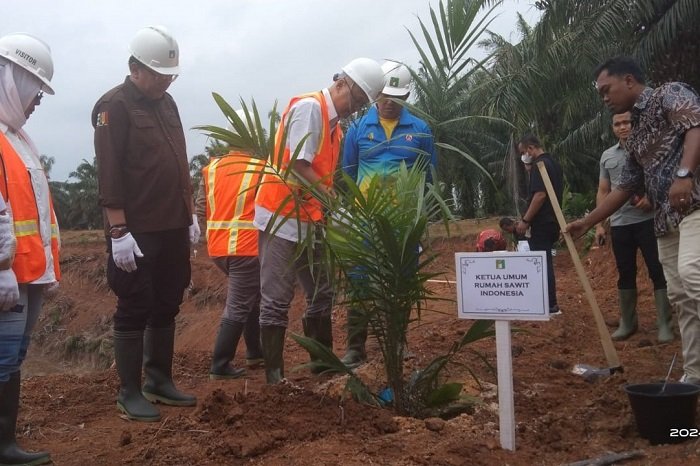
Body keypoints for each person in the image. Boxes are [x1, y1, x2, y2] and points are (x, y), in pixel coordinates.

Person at [568, 56, 700, 384]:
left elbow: (695, 126)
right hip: (665, 221)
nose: (604, 98)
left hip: (695, 207)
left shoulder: (668, 94)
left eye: (606, 90)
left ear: (628, 80)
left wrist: (684, 174)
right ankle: (695, 374)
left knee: (693, 276)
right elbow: (625, 187)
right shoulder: (636, 133)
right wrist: (588, 222)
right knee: (680, 297)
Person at [254, 57, 385, 384]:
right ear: (341, 83)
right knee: (276, 298)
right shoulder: (311, 109)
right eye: (353, 100)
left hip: (310, 217)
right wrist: (335, 204)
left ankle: (322, 364)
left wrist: (330, 210)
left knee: (321, 291)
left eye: (359, 105)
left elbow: (322, 175)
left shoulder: (334, 127)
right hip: (281, 216)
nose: (353, 108)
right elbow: (299, 165)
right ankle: (274, 376)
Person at [93, 26, 198, 422]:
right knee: (135, 303)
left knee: (168, 299)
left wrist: (189, 215)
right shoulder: (113, 106)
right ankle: (130, 391)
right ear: (135, 68)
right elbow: (110, 172)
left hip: (172, 223)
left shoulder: (168, 104)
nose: (165, 80)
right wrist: (118, 229)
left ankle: (159, 380)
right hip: (136, 229)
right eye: (159, 74)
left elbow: (179, 157)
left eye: (171, 74)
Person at [339, 60, 437, 367]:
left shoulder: (420, 131)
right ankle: (356, 347)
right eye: (383, 96)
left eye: (395, 99)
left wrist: (420, 220)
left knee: (400, 279)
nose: (387, 104)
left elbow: (428, 178)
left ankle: (396, 344)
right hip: (365, 220)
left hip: (403, 224)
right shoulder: (357, 128)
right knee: (359, 281)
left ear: (406, 97)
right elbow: (348, 174)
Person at [0, 32, 58, 466]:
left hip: (27, 272)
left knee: (13, 357)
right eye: (35, 88)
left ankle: (6, 442)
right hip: (8, 273)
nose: (38, 100)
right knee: (2, 358)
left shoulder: (17, 138)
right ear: (13, 78)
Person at [195, 111, 264, 379]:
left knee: (250, 298)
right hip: (247, 249)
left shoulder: (212, 168)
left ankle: (255, 353)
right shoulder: (260, 169)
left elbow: (203, 207)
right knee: (238, 304)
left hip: (218, 249)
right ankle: (220, 365)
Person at [595, 111, 673, 342]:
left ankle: (664, 325)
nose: (622, 127)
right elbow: (603, 190)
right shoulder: (607, 156)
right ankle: (628, 323)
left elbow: (664, 179)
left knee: (657, 271)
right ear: (613, 128)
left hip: (649, 222)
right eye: (617, 124)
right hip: (620, 224)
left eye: (626, 122)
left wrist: (651, 199)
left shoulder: (649, 150)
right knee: (625, 273)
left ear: (635, 123)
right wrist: (600, 225)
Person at [515, 135, 563, 315]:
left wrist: (525, 220)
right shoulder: (553, 164)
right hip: (552, 221)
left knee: (541, 264)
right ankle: (548, 303)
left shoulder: (539, 165)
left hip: (541, 222)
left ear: (530, 148)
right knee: (545, 261)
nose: (523, 156)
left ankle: (550, 304)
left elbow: (540, 195)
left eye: (523, 152)